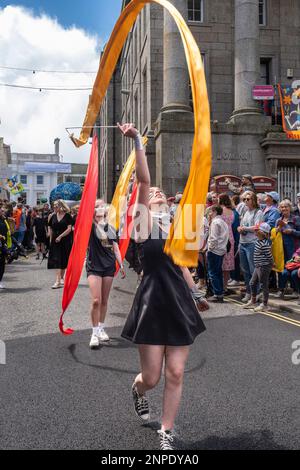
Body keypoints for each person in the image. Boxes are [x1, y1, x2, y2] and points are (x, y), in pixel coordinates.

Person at [118, 123, 207, 451]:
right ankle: (138, 390)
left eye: (158, 193)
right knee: (152, 377)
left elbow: (181, 264)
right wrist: (139, 142)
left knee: (176, 373)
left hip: (180, 302)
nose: (155, 193)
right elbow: (143, 179)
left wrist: (196, 292)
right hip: (152, 303)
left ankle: (166, 432)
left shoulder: (178, 229)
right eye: (151, 194)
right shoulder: (141, 225)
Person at [87, 204, 125, 348]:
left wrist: (120, 265)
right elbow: (83, 215)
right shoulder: (90, 227)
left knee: (104, 300)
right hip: (94, 266)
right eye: (96, 214)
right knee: (96, 300)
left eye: (101, 214)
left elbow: (115, 248)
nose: (99, 216)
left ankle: (101, 328)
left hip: (108, 265)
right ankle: (94, 333)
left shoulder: (111, 228)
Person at [238, 191, 264, 303]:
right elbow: (243, 225)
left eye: (248, 199)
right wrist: (240, 228)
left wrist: (244, 229)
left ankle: (256, 293)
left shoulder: (258, 212)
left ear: (253, 200)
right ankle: (249, 292)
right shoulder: (245, 212)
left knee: (253, 269)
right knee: (245, 270)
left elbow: (257, 227)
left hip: (252, 243)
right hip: (242, 243)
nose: (245, 201)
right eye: (244, 199)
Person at [243, 223, 273, 312]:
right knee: (252, 283)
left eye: (257, 230)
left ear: (262, 233)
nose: (255, 232)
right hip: (258, 266)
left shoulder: (264, 243)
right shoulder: (258, 241)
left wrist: (271, 264)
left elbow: (269, 256)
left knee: (264, 285)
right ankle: (253, 301)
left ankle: (264, 304)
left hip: (264, 266)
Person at [275, 199, 300, 298]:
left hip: (294, 249)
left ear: (290, 208)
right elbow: (274, 235)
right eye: (282, 207)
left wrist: (292, 231)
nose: (284, 208)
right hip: (281, 248)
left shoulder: (296, 219)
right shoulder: (278, 220)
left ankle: (295, 290)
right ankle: (281, 289)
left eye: (286, 206)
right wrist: (276, 230)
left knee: (293, 269)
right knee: (281, 269)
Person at [47, 200, 73, 289]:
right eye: (54, 206)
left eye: (56, 206)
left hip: (65, 240)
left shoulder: (67, 216)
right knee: (57, 260)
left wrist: (60, 236)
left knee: (64, 259)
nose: (54, 207)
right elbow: (50, 227)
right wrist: (51, 239)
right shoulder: (53, 216)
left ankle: (62, 277)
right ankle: (57, 281)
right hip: (55, 241)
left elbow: (69, 229)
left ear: (61, 206)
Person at [206, 205, 229, 302]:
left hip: (215, 250)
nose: (209, 213)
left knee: (213, 273)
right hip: (221, 250)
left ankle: (217, 294)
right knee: (218, 272)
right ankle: (219, 292)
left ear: (214, 211)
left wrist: (209, 249)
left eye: (210, 211)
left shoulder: (215, 222)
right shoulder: (223, 222)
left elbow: (214, 238)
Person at [219, 193, 235, 293]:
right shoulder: (232, 212)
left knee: (219, 263)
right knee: (227, 264)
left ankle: (219, 286)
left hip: (221, 236)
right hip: (230, 237)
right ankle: (225, 286)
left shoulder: (220, 211)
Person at [0, 207, 8, 289]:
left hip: (3, 245)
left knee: (2, 264)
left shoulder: (4, 220)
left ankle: (0, 280)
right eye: (1, 210)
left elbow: (8, 232)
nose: (3, 211)